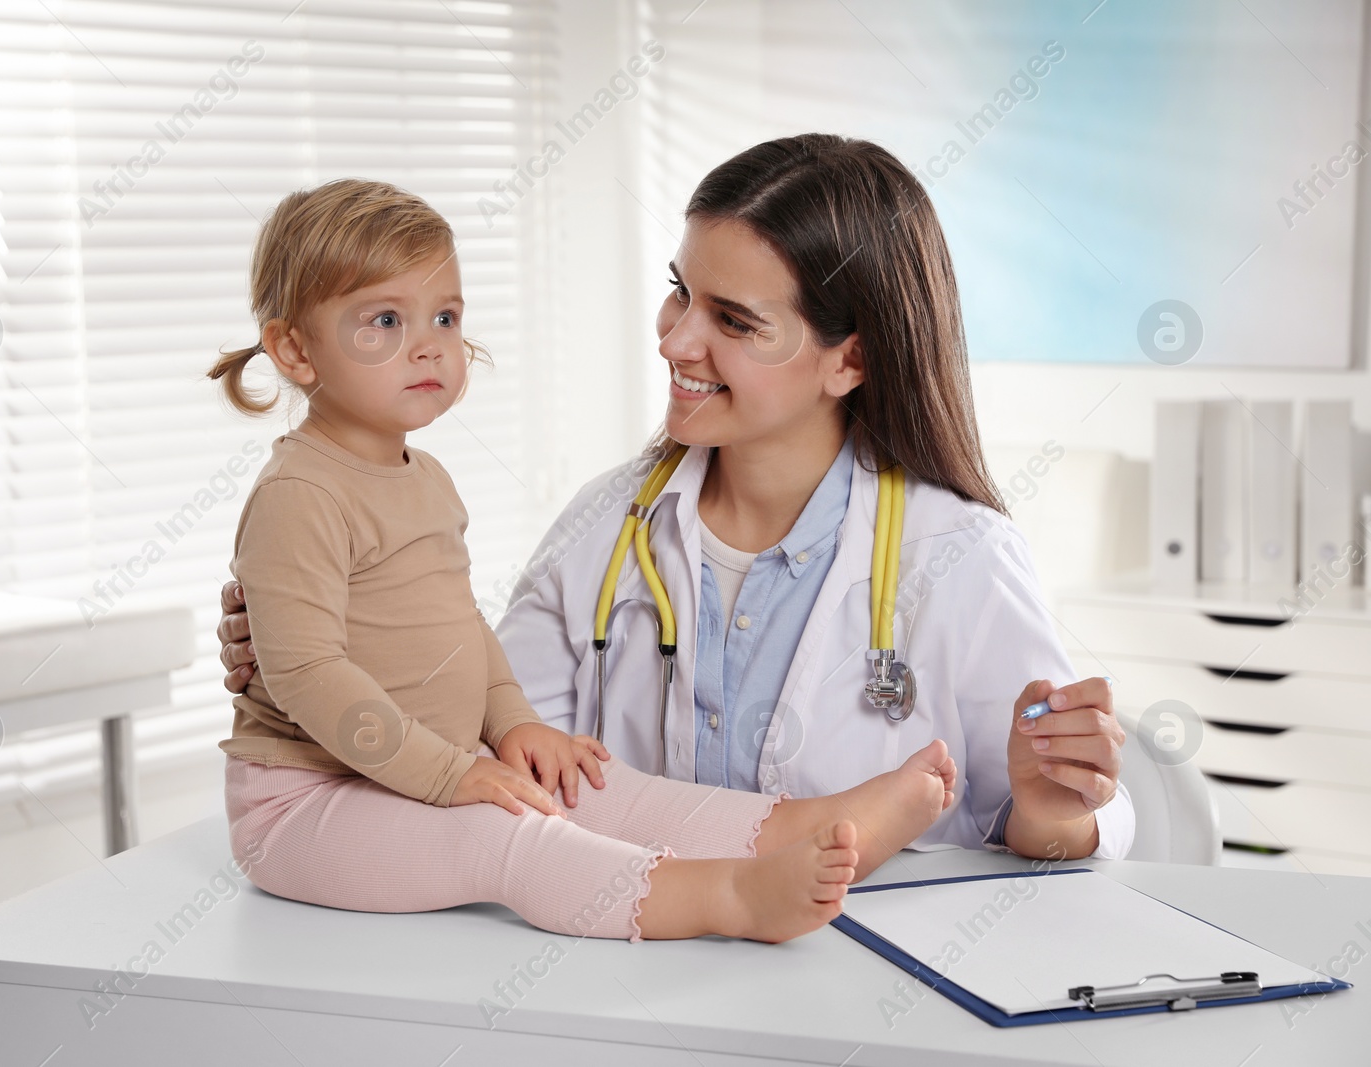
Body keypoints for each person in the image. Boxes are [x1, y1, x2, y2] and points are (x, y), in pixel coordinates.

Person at [218, 135, 1134, 865]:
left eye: (733, 321)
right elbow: (496, 750)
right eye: (679, 294)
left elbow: (1060, 823)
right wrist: (330, 636)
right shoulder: (602, 527)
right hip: (639, 980)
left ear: (849, 359)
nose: (677, 341)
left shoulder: (960, 555)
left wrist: (1058, 815)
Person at [203, 176, 960, 946]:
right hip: (306, 801)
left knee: (594, 785)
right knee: (505, 836)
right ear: (296, 348)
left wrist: (514, 725)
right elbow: (306, 674)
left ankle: (816, 823)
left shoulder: (423, 479)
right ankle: (727, 895)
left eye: (445, 316)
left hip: (419, 771)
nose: (429, 343)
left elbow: (463, 630)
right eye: (386, 321)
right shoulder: (299, 493)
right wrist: (453, 775)